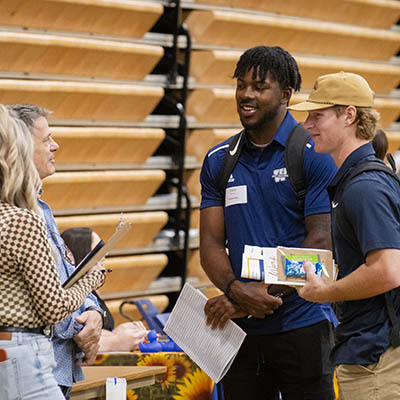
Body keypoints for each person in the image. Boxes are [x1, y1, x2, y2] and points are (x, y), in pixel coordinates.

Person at [199, 46, 338, 400]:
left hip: (303, 325)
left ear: (286, 95)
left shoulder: (314, 154)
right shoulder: (218, 161)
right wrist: (235, 290)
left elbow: (320, 244)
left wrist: (259, 294)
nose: (246, 95)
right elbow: (211, 245)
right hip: (240, 333)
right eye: (241, 85)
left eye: (259, 87)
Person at [289, 71, 400, 399]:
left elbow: (387, 270)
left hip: (375, 359)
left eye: (317, 115)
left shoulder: (364, 187)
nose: (308, 124)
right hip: (369, 352)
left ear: (349, 115)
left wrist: (325, 293)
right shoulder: (359, 181)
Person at [0, 105, 106, 399]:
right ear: (18, 150)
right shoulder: (24, 218)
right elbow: (54, 307)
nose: (55, 145)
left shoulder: (26, 213)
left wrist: (93, 310)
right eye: (46, 139)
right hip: (26, 353)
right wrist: (92, 278)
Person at [61, 227, 147, 352]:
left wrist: (122, 333)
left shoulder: (91, 294)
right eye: (99, 259)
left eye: (103, 259)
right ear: (82, 258)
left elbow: (101, 332)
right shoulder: (72, 297)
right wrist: (118, 339)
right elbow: (78, 340)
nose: (102, 266)